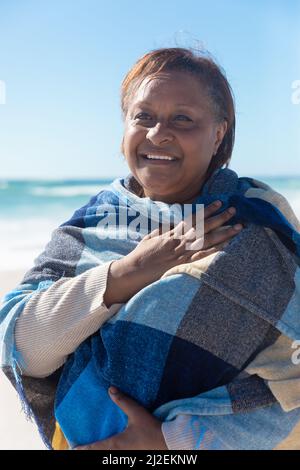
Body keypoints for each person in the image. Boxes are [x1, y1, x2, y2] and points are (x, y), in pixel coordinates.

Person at [1, 47, 300, 451]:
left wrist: (170, 442)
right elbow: (20, 348)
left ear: (218, 133)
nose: (158, 133)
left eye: (183, 118)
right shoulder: (93, 224)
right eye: (143, 116)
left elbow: (291, 380)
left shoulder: (258, 226)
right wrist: (130, 272)